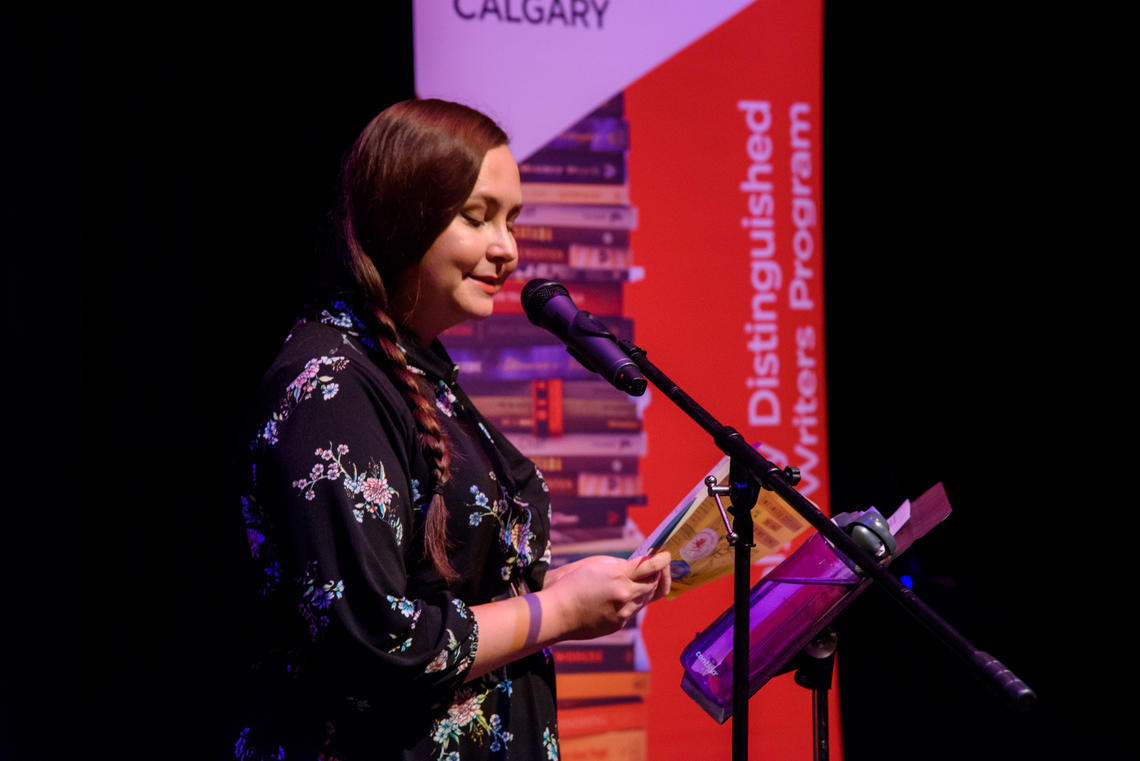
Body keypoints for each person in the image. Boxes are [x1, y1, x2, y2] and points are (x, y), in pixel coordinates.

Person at [233, 98, 671, 761]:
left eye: (511, 221)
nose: (507, 248)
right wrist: (558, 613)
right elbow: (376, 639)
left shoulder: (418, 373)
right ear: (401, 218)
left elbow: (445, 595)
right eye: (476, 217)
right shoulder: (333, 387)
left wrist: (558, 591)